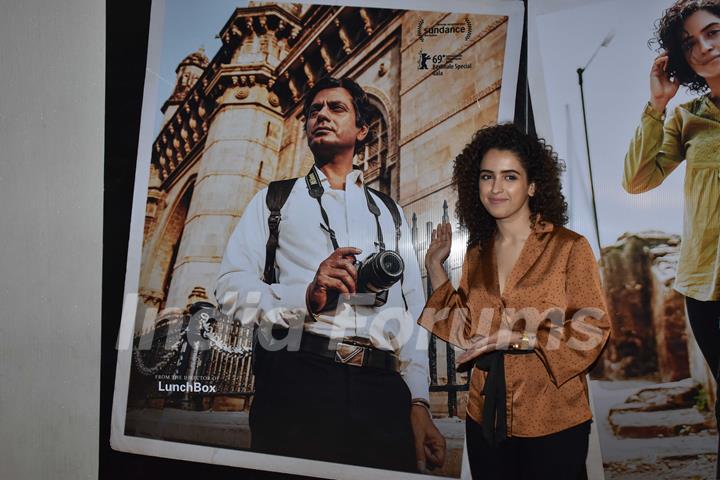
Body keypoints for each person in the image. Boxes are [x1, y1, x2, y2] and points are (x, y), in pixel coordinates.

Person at [215, 76, 445, 473]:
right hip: (297, 382)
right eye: (314, 111)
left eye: (336, 108)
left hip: (382, 391)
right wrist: (305, 297)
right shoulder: (275, 199)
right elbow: (230, 288)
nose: (321, 115)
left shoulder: (389, 213)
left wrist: (419, 401)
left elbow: (411, 311)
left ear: (361, 129)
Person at [419, 124, 610, 480]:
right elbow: (466, 332)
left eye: (510, 177)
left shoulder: (569, 247)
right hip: (484, 418)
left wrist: (523, 338)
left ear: (532, 185)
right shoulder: (476, 255)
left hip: (554, 419)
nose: (495, 188)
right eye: (487, 176)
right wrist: (434, 267)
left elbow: (593, 329)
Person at [622, 0, 720, 475]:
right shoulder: (688, 119)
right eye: (690, 44)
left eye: (713, 32)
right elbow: (637, 180)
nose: (704, 46)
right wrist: (657, 105)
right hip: (706, 286)